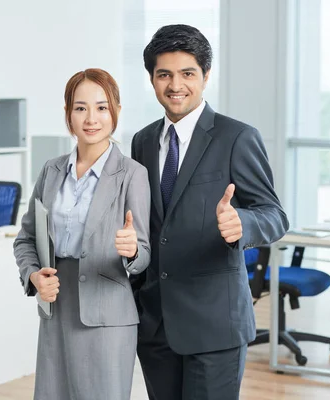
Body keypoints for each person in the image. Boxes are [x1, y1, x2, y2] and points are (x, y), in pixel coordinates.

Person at [130, 24, 289, 400]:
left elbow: (274, 214)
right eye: (163, 74)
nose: (175, 85)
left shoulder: (236, 137)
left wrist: (242, 223)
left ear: (205, 76)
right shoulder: (144, 140)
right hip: (155, 323)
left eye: (187, 73)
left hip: (213, 323)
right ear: (152, 78)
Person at [14, 68, 151, 400]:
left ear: (115, 111)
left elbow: (144, 253)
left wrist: (132, 250)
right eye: (80, 108)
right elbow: (26, 238)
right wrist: (33, 276)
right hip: (56, 306)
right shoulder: (51, 170)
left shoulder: (132, 174)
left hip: (107, 315)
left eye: (102, 107)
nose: (91, 118)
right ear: (68, 115)